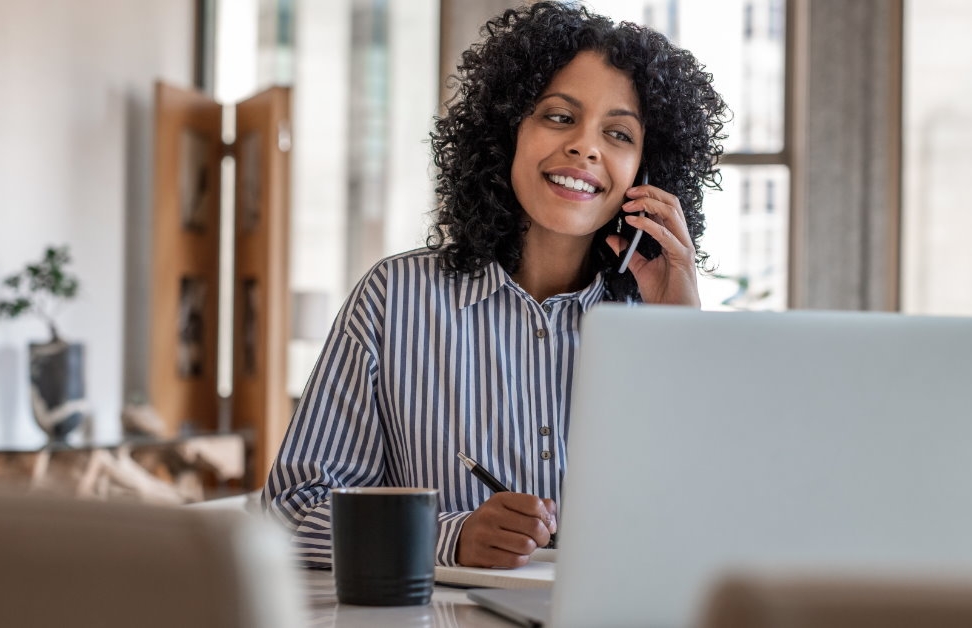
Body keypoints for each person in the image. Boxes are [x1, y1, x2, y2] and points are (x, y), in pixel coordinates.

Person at [264, 1, 727, 568]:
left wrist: (682, 334)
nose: (587, 146)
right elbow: (289, 513)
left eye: (618, 133)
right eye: (559, 116)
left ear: (646, 174)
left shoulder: (657, 320)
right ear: (506, 132)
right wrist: (448, 538)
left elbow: (716, 521)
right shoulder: (393, 299)